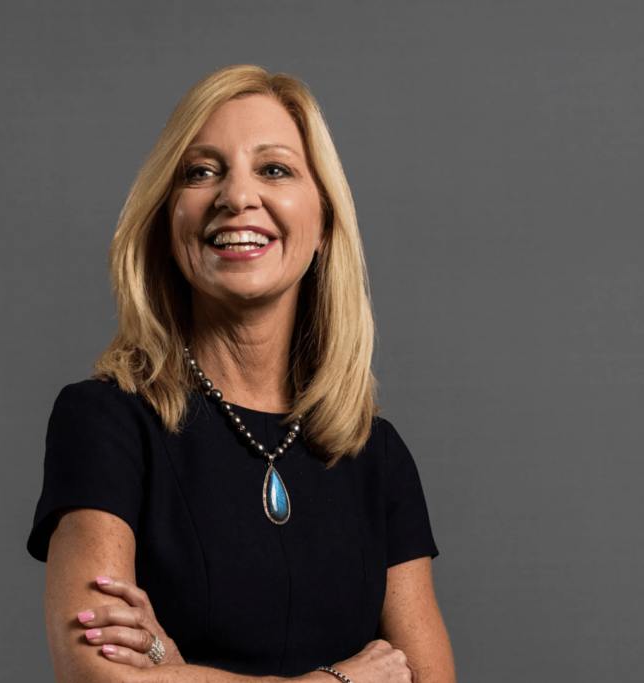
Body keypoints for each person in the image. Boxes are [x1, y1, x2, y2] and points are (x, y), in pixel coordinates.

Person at [27, 64, 456, 683]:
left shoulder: (376, 457)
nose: (236, 196)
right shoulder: (104, 423)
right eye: (202, 172)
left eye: (274, 169)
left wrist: (175, 671)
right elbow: (99, 675)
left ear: (324, 221)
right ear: (167, 220)